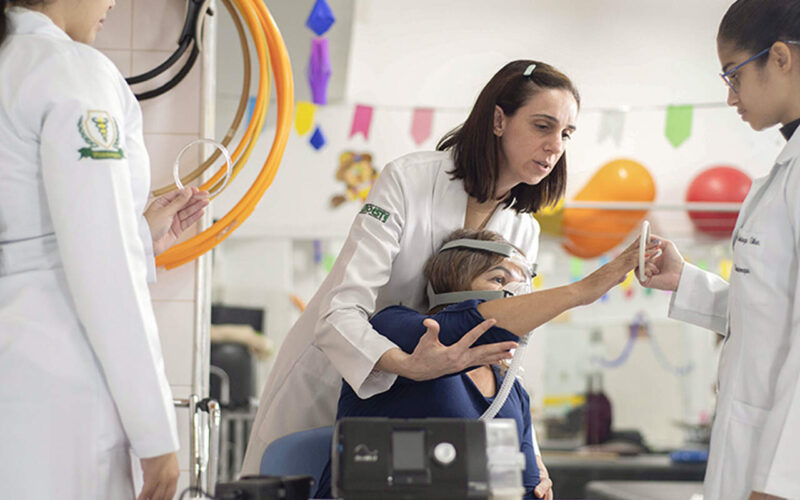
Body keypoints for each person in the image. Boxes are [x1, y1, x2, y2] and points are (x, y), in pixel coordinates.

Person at [243, 59, 580, 498]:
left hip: (433, 404)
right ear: (499, 120)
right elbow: (339, 313)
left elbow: (505, 357)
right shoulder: (408, 180)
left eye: (566, 134)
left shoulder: (523, 230)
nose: (555, 146)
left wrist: (528, 452)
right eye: (542, 126)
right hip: (346, 371)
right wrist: (405, 365)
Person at [0, 2, 208, 500]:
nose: (113, 2)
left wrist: (136, 237)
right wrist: (156, 435)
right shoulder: (69, 70)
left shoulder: (10, 62)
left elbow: (31, 235)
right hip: (57, 384)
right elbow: (103, 267)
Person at [312, 228, 655, 499]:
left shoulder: (513, 393)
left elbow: (526, 487)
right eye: (500, 280)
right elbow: (465, 325)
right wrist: (582, 291)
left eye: (523, 284)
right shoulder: (400, 331)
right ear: (454, 287)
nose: (518, 295)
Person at [641, 1, 800, 499]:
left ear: (780, 58)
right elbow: (771, 312)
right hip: (752, 457)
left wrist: (781, 484)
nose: (730, 97)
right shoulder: (783, 171)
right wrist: (687, 281)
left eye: (734, 75)